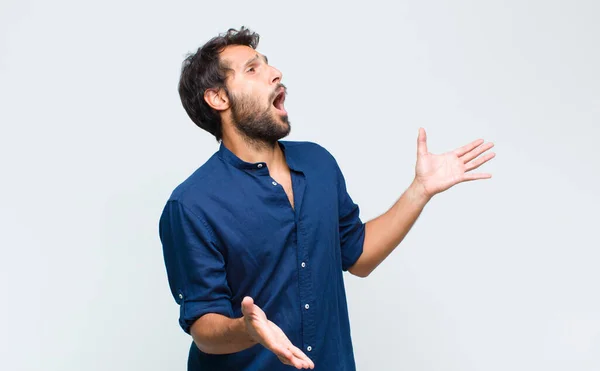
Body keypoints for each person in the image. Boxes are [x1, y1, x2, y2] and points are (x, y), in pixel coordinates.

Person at [158, 26, 495, 371]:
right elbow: (204, 330)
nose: (275, 73)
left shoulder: (318, 163)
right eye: (252, 69)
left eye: (267, 64)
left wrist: (420, 190)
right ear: (218, 98)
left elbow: (358, 255)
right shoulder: (191, 205)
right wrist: (248, 330)